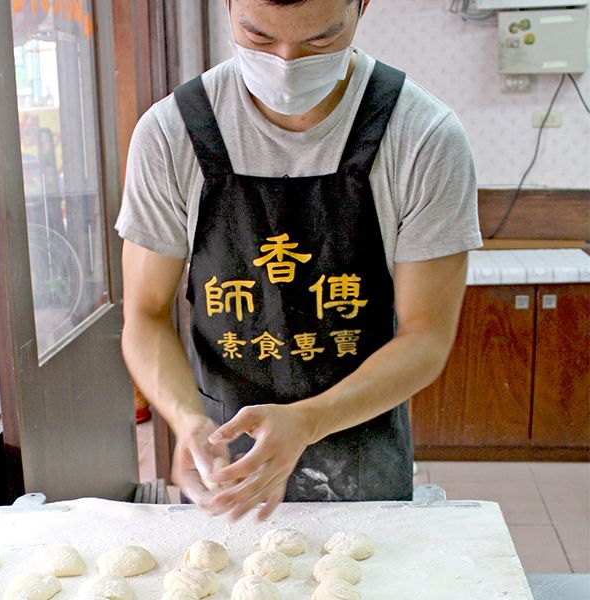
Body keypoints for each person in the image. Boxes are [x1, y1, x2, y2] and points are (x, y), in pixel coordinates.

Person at [116, 0, 482, 521]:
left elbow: (426, 335)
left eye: (318, 41)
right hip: (225, 457)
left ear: (362, 6)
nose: (286, 63)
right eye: (259, 38)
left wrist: (309, 421)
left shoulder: (422, 137)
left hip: (362, 455)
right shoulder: (171, 133)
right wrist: (185, 419)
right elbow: (145, 315)